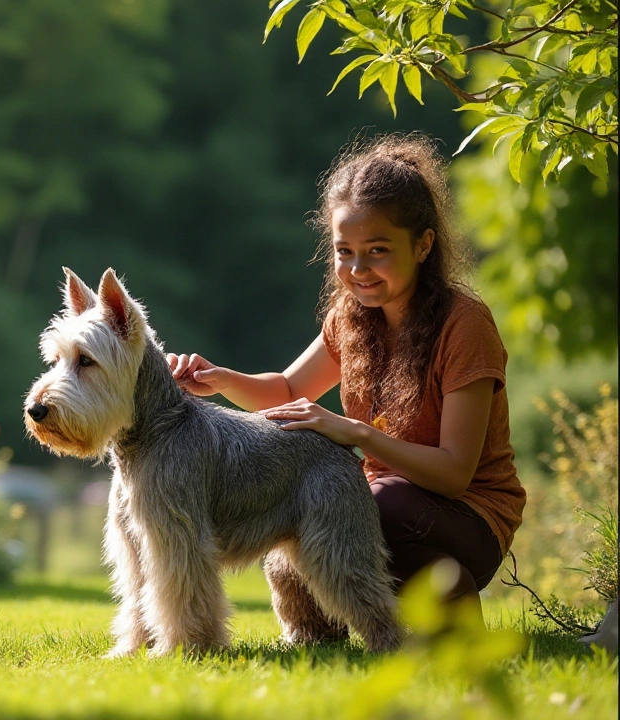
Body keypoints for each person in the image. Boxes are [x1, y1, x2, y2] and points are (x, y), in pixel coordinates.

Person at [167, 133, 525, 603]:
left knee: (369, 503)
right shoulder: (351, 318)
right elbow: (290, 388)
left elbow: (456, 473)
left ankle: (450, 594)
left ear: (423, 246)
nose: (358, 268)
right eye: (344, 251)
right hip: (381, 499)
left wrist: (354, 432)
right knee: (304, 512)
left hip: (469, 516)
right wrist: (218, 379)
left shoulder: (465, 325)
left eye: (378, 250)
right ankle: (328, 638)